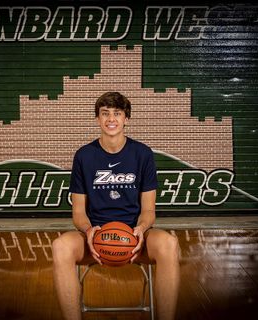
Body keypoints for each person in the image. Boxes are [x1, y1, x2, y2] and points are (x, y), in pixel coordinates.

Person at [52, 91, 180, 320]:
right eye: (105, 113)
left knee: (169, 244)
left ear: (126, 119)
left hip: (135, 238)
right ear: (97, 119)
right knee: (60, 246)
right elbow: (78, 212)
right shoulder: (84, 156)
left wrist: (140, 230)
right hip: (95, 238)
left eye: (117, 113)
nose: (111, 119)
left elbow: (149, 210)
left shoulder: (142, 154)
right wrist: (90, 231)